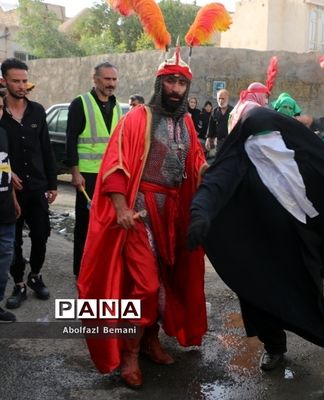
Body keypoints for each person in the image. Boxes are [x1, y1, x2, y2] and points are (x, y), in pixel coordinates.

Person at [186, 84, 324, 373]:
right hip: (258, 243)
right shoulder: (238, 158)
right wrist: (200, 215)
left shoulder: (298, 150)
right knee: (259, 299)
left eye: (270, 136)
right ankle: (274, 347)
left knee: (307, 294)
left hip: (299, 237)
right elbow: (214, 185)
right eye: (258, 138)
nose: (266, 143)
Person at [77, 48, 208, 389]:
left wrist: (212, 170)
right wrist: (121, 209)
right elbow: (116, 166)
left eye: (182, 82)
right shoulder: (138, 117)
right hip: (139, 213)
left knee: (165, 281)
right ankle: (130, 354)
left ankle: (150, 342)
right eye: (171, 81)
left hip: (172, 216)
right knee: (146, 286)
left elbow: (195, 162)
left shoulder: (188, 124)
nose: (176, 88)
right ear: (159, 82)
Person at [0, 58, 57, 309]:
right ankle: (19, 283)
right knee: (13, 242)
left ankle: (35, 276)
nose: (22, 86)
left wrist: (52, 184)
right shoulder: (0, 114)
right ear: (4, 81)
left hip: (37, 187)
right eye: (16, 81)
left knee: (42, 234)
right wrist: (6, 172)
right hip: (10, 191)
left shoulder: (37, 111)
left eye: (24, 80)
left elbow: (46, 149)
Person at [65, 61, 123, 277]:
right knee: (86, 224)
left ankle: (103, 267)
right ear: (95, 79)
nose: (111, 83)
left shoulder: (118, 106)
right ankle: (81, 270)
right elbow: (70, 141)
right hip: (87, 176)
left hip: (110, 175)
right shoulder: (80, 103)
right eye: (107, 79)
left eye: (114, 79)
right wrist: (75, 172)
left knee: (108, 223)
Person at [0, 95, 20, 321]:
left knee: (4, 259)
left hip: (5, 211)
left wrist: (13, 199)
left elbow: (6, 167)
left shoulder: (3, 134)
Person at [206, 89, 233, 153]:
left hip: (230, 141)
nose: (220, 101)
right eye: (219, 98)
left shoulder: (233, 111)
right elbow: (211, 126)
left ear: (227, 98)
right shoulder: (215, 111)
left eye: (223, 98)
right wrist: (208, 139)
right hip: (218, 142)